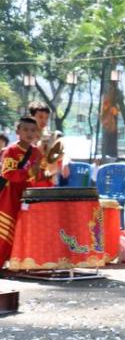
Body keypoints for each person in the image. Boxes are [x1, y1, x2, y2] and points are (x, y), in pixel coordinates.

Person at [0, 117, 45, 265]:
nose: (29, 133)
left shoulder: (37, 152)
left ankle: (17, 262)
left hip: (27, 196)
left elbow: (38, 176)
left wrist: (44, 172)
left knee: (23, 230)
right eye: (25, 129)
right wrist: (29, 173)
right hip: (9, 196)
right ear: (17, 131)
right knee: (5, 230)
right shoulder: (10, 150)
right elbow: (7, 173)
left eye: (33, 130)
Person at [28, 101, 66, 186]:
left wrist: (63, 160)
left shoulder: (50, 136)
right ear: (31, 117)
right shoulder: (26, 137)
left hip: (47, 179)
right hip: (30, 180)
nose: (44, 120)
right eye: (40, 117)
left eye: (46, 118)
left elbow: (60, 156)